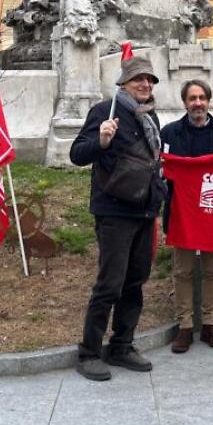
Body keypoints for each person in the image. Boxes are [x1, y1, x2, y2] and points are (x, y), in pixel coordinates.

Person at [68, 54, 165, 381]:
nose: (145, 84)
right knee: (110, 284)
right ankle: (90, 352)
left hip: (144, 210)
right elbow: (77, 154)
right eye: (139, 79)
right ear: (123, 83)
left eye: (150, 80)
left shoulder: (150, 118)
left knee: (134, 282)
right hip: (114, 212)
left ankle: (122, 345)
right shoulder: (105, 111)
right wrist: (101, 140)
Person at [160, 79, 213, 353]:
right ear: (185, 102)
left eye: (202, 98)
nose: (197, 103)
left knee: (212, 270)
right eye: (192, 98)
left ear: (209, 101)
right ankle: (184, 327)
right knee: (182, 270)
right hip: (181, 213)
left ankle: (209, 324)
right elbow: (163, 172)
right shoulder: (169, 133)